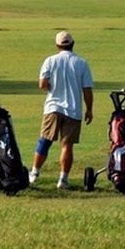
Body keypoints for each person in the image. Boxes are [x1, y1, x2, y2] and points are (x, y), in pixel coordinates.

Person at [31, 30, 93, 189]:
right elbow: (87, 90)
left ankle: (34, 173)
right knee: (67, 145)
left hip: (52, 107)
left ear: (57, 45)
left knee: (44, 140)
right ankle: (63, 179)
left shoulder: (50, 61)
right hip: (73, 110)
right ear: (72, 44)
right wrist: (89, 109)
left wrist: (54, 88)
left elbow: (42, 85)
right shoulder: (81, 63)